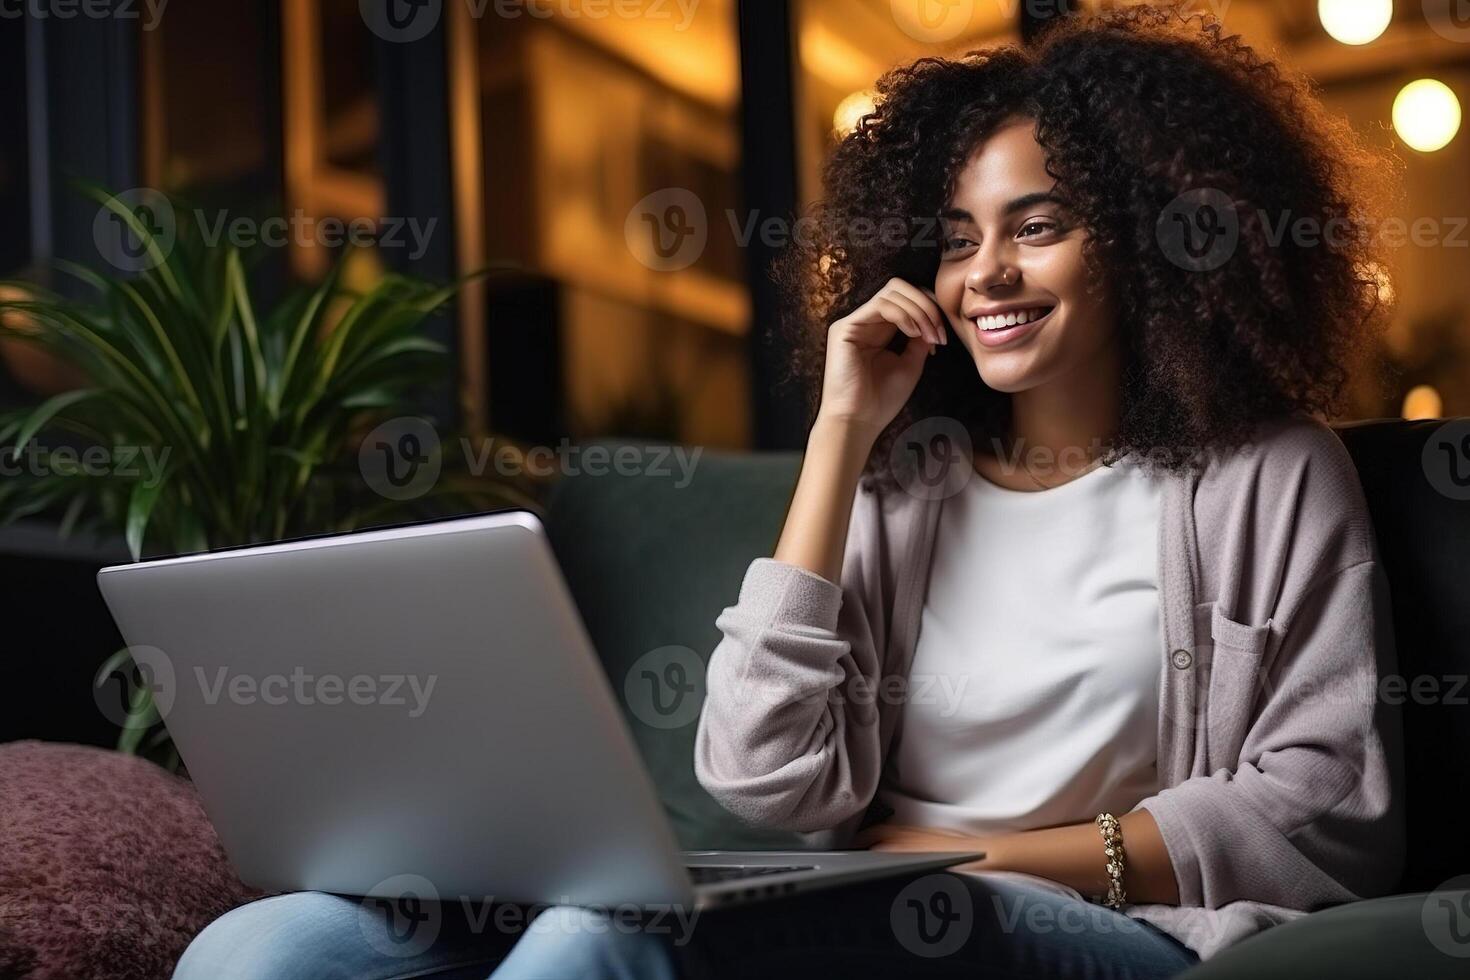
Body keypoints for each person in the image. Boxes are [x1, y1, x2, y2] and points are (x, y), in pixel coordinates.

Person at [174, 6, 1404, 978]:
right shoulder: (907, 480)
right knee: (261, 946)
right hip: (857, 897)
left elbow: (1324, 810)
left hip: (1086, 926)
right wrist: (837, 437)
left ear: (1146, 243)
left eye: (1040, 226)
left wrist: (964, 853)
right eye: (959, 237)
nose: (988, 273)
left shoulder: (1266, 474)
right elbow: (767, 777)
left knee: (596, 939)